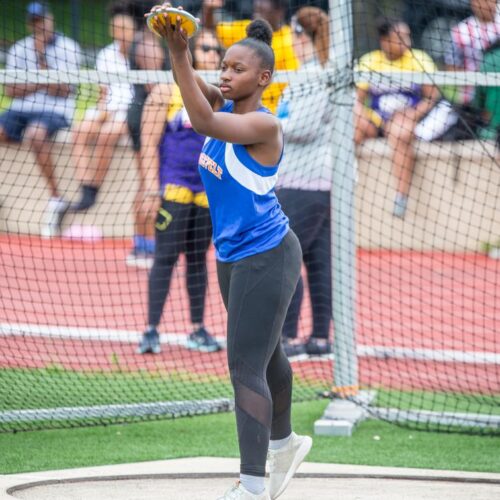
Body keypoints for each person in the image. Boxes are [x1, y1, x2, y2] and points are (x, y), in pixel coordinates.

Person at [149, 4, 312, 498]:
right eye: (224, 65)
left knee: (243, 365)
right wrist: (177, 33)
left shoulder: (264, 126)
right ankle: (284, 446)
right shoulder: (224, 103)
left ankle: (252, 483)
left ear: (263, 78)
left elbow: (198, 116)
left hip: (269, 253)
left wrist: (176, 51)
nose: (225, 73)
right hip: (232, 256)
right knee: (267, 356)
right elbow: (200, 88)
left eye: (237, 68)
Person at [137, 28, 223, 354]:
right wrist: (148, 188)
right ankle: (151, 330)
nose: (212, 54)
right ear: (192, 52)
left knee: (199, 259)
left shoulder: (218, 95)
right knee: (165, 257)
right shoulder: (164, 92)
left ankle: (198, 328)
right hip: (173, 188)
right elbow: (147, 143)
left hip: (206, 191)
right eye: (206, 48)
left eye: (217, 49)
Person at [355, 17, 458, 219]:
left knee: (401, 133)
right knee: (351, 124)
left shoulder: (419, 59)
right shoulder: (369, 60)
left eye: (407, 36)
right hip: (376, 119)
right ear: (384, 41)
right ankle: (346, 180)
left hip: (405, 118)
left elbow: (431, 97)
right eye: (399, 37)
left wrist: (413, 114)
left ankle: (401, 197)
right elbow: (358, 100)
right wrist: (360, 113)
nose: (406, 42)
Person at [275, 7, 333, 357]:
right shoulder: (317, 73)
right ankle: (320, 338)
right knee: (317, 259)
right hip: (318, 180)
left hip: (304, 180)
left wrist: (263, 124)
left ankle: (286, 335)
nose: (292, 44)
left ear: (304, 37)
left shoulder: (314, 74)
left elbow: (302, 127)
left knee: (287, 257)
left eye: (295, 37)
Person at [0, 1, 81, 237]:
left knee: (36, 134)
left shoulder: (69, 47)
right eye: (34, 22)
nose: (39, 26)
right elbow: (10, 91)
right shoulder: (19, 48)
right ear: (29, 24)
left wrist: (41, 62)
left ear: (50, 20)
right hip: (22, 108)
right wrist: (44, 81)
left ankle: (56, 199)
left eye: (42, 20)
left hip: (56, 110)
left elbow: (64, 89)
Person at [69, 1, 135, 215]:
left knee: (107, 134)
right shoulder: (106, 54)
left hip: (129, 111)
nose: (120, 33)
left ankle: (93, 190)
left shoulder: (142, 53)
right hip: (108, 109)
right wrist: (102, 112)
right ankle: (85, 186)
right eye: (116, 29)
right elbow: (102, 93)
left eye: (124, 29)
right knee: (80, 129)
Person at [127, 0, 171, 268]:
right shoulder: (146, 40)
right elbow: (153, 80)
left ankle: (141, 243)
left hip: (143, 112)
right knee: (148, 182)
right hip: (143, 113)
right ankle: (144, 245)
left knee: (146, 181)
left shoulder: (149, 38)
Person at [202, 0, 300, 113]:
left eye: (238, 69)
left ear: (279, 10)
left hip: (275, 112)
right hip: (240, 109)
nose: (257, 4)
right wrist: (209, 9)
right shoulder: (247, 28)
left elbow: (293, 82)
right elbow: (212, 28)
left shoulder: (290, 40)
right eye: (224, 68)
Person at [444, 0, 500, 138]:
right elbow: (451, 69)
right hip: (471, 103)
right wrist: (479, 78)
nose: (485, 5)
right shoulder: (460, 32)